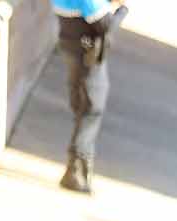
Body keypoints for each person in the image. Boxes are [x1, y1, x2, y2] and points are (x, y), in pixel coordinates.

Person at [52, 0, 129, 194]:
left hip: (71, 42)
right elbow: (105, 25)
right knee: (91, 107)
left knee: (82, 104)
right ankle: (75, 171)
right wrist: (122, 9)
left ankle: (80, 168)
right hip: (85, 48)